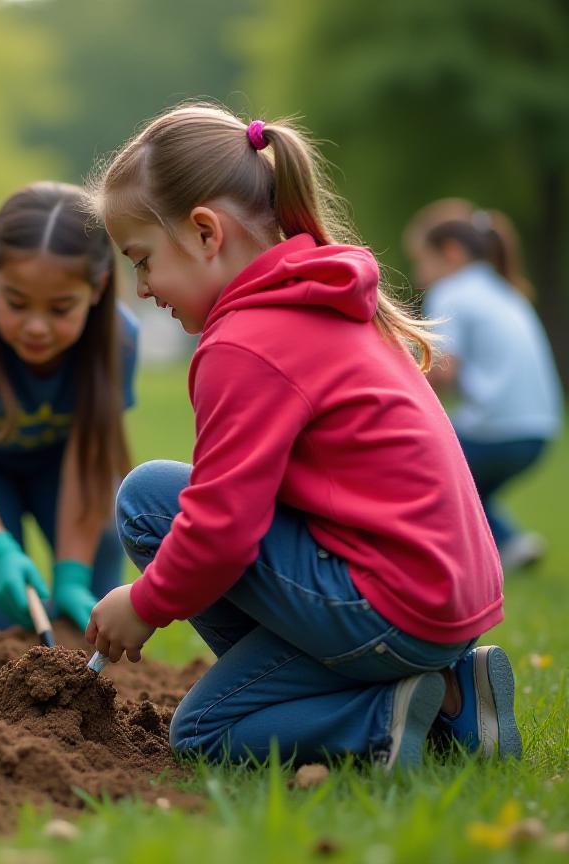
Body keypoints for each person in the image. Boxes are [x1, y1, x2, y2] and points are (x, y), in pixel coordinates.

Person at [87, 105, 518, 769]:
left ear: (205, 232)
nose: (143, 290)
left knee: (201, 733)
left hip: (396, 607)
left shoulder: (245, 343)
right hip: (440, 596)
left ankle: (380, 716)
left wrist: (144, 603)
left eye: (143, 262)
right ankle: (453, 695)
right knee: (149, 496)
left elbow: (223, 528)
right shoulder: (319, 295)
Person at [0, 181, 139, 631]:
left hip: (68, 467)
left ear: (98, 286)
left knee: (94, 622)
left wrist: (73, 572)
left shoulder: (119, 340)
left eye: (61, 309)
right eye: (16, 303)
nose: (36, 327)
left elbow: (91, 461)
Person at [404, 202, 563, 571]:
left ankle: (426, 558)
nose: (419, 275)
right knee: (469, 487)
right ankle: (512, 542)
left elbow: (441, 370)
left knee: (420, 466)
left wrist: (402, 398)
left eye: (422, 261)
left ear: (451, 253)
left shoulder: (453, 292)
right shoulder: (505, 291)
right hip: (541, 430)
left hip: (498, 430)